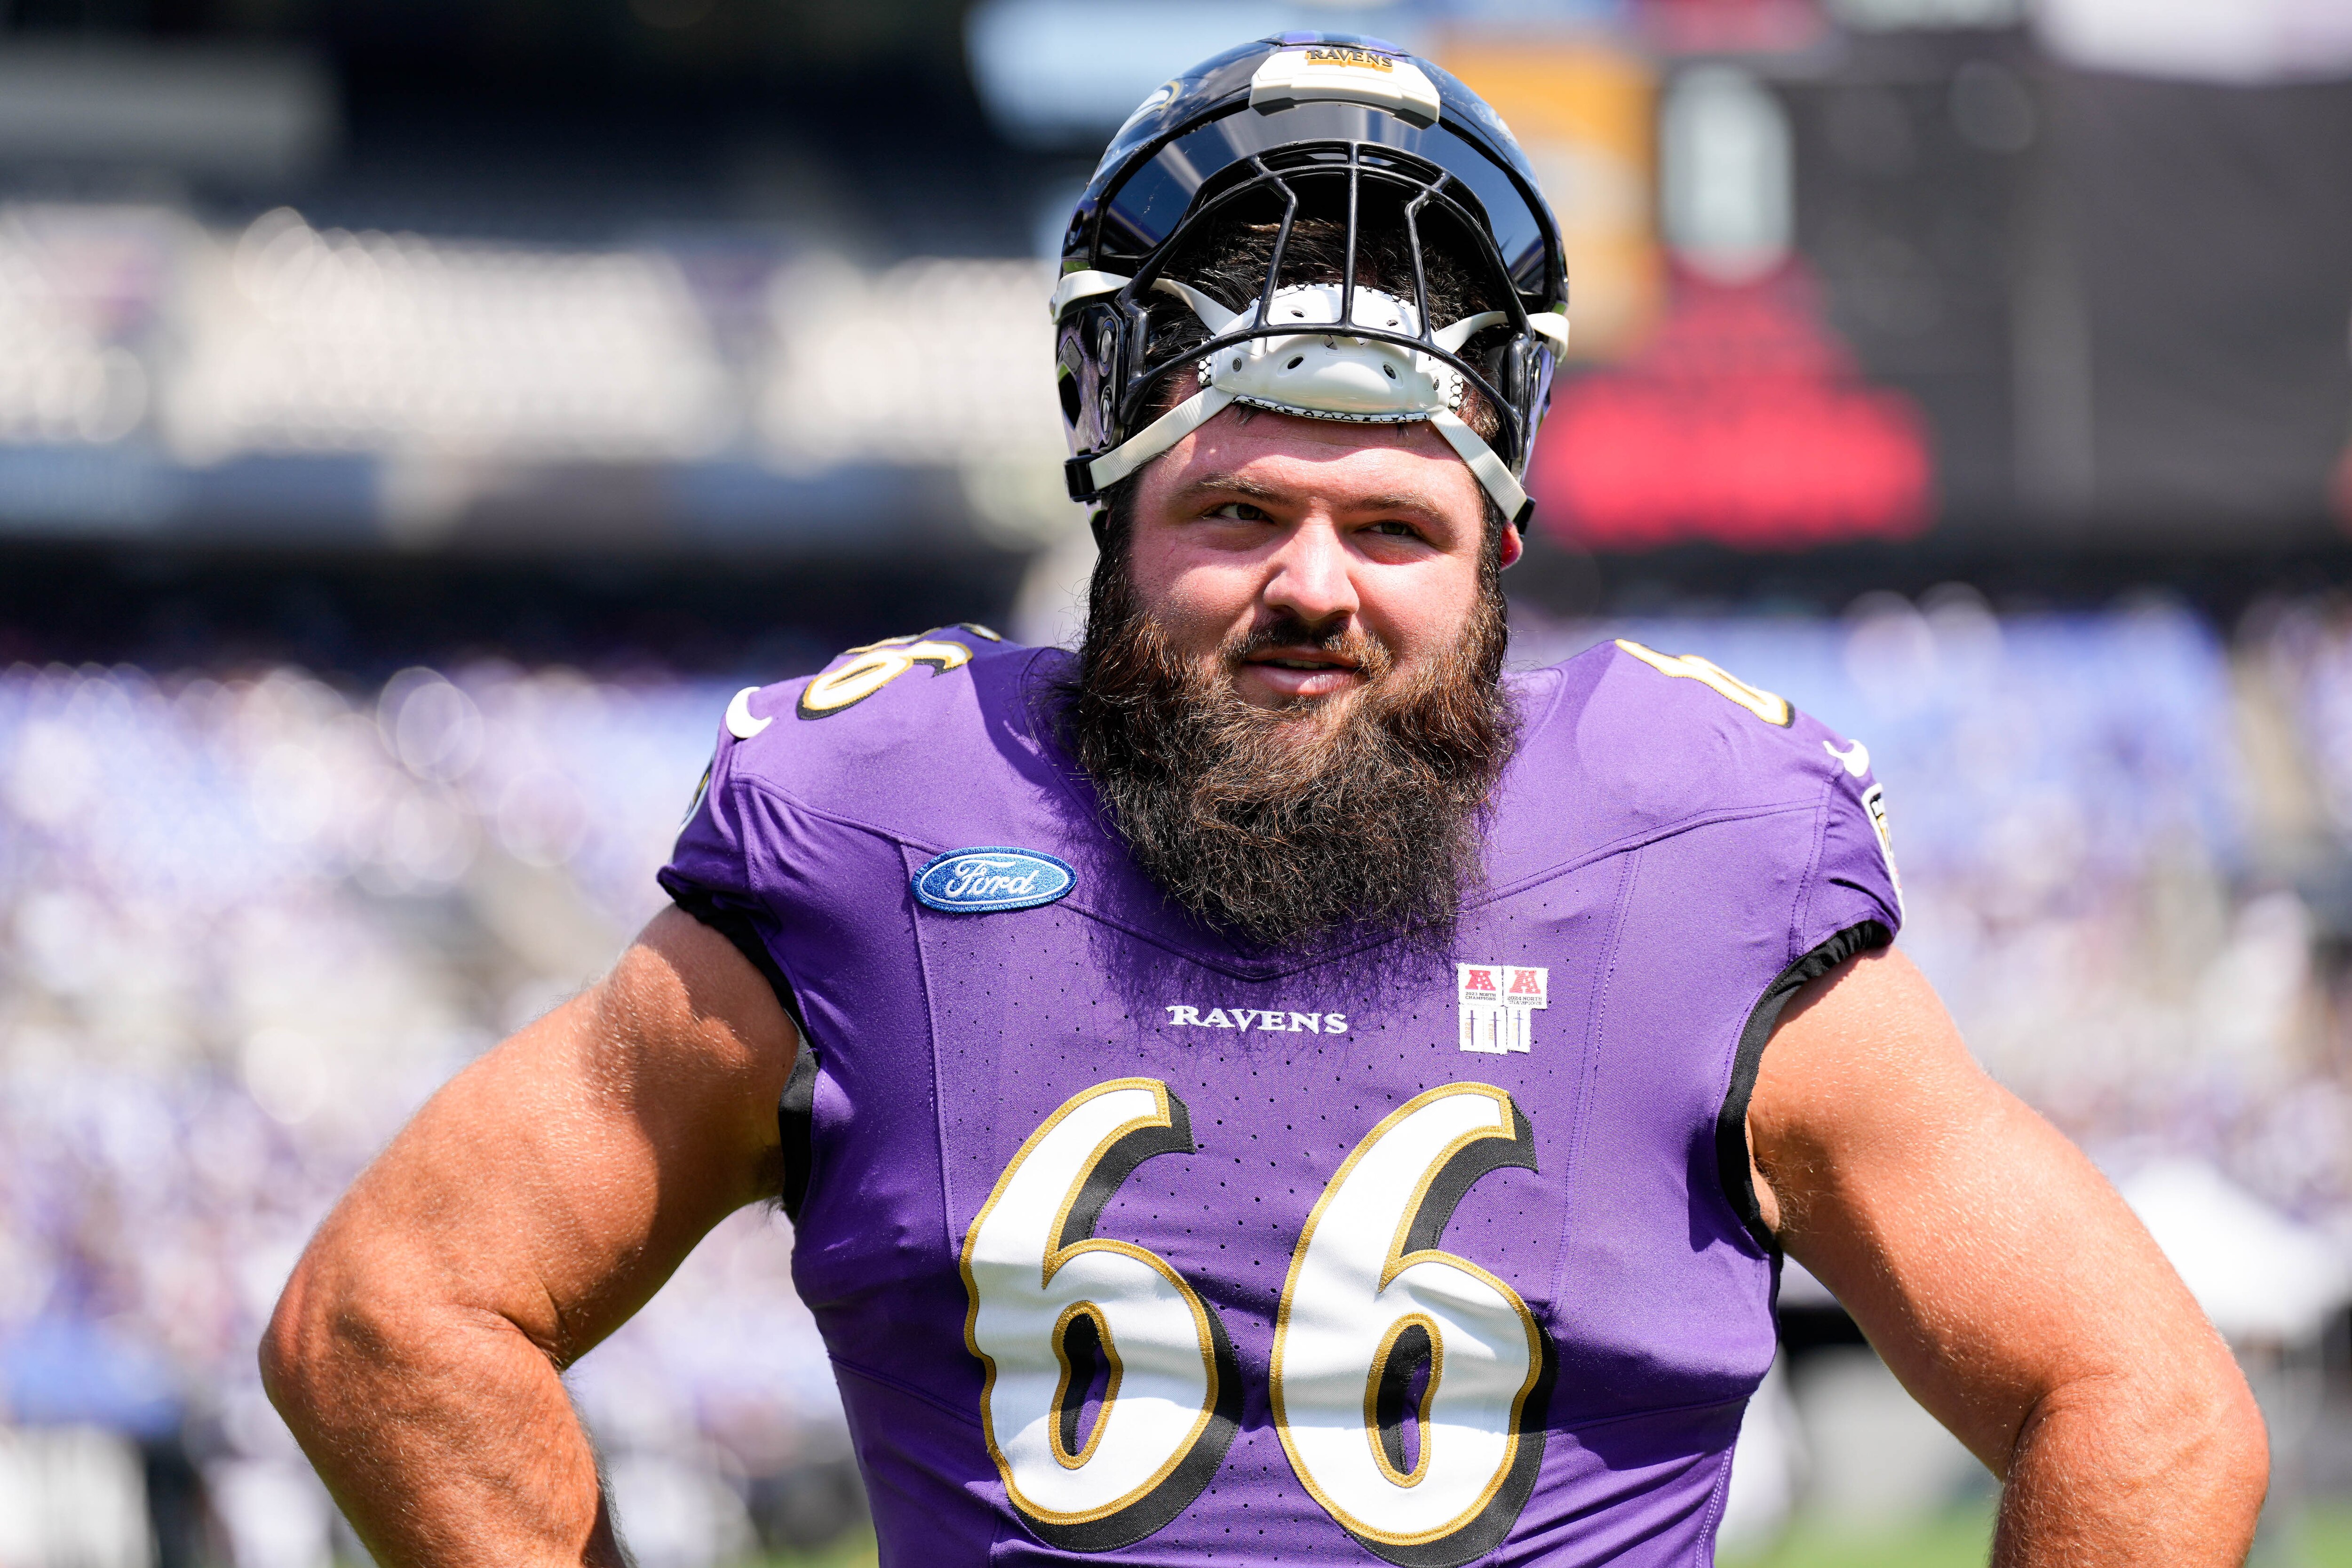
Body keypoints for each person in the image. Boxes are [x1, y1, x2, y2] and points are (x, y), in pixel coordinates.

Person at [261, 33, 2266, 1567]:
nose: (1313, 585)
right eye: (1237, 511)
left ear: (1493, 556)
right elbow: (391, 1316)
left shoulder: (1695, 851)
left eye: (1391, 524)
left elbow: (2143, 1409)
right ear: (1113, 520)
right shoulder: (884, 824)